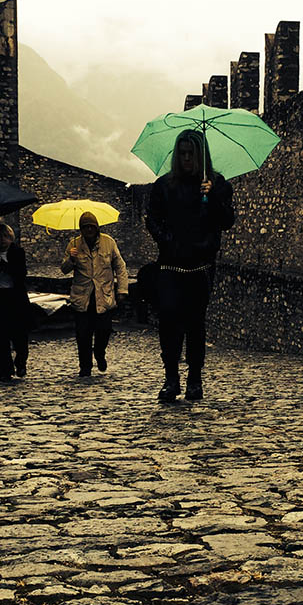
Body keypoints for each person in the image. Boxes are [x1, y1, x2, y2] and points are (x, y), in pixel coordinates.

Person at [146, 129, 235, 402]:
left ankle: (194, 379)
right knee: (169, 323)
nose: (186, 159)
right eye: (182, 153)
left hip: (200, 266)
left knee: (195, 324)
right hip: (171, 265)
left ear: (201, 155)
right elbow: (152, 219)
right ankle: (171, 379)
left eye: (191, 154)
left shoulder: (217, 184)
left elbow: (227, 221)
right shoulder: (164, 186)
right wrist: (168, 241)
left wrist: (214, 197)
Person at [61, 211, 129, 376]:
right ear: (81, 229)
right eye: (85, 227)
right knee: (82, 334)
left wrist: (122, 290)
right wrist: (71, 259)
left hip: (103, 297)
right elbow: (64, 269)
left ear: (97, 227)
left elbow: (120, 267)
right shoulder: (74, 245)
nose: (89, 230)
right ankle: (85, 366)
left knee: (104, 331)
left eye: (92, 226)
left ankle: (99, 352)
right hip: (82, 297)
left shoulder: (109, 243)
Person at [0, 223, 31, 382]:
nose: (2, 240)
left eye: (5, 236)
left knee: (20, 335)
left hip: (15, 298)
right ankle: (4, 370)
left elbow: (20, 273)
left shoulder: (18, 252)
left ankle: (20, 361)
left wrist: (3, 265)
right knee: (0, 336)